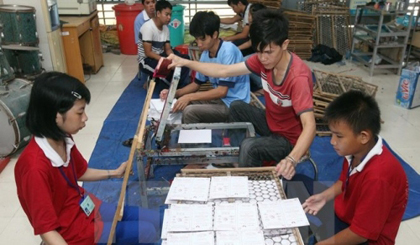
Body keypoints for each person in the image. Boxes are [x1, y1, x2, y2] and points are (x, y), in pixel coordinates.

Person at [167, 9, 316, 179]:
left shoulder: (298, 78)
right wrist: (185, 62)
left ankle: (246, 184)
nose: (263, 58)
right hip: (272, 123)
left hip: (290, 140)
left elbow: (310, 126)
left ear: (284, 44)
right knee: (237, 107)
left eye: (268, 52)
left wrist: (291, 159)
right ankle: (238, 161)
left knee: (249, 146)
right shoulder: (262, 60)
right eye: (258, 51)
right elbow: (224, 71)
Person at [15, 72, 160, 244]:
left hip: (85, 207)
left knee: (155, 219)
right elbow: (47, 230)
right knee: (147, 231)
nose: (85, 118)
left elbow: (80, 171)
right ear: (55, 115)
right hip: (74, 233)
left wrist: (114, 173)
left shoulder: (63, 137)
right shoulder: (34, 168)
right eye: (80, 112)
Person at [302, 90, 408, 244]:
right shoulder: (355, 151)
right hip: (349, 216)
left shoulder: (378, 178)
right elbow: (344, 182)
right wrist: (324, 197)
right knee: (298, 183)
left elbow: (360, 234)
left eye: (339, 136)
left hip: (365, 238)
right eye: (332, 134)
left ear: (363, 136)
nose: (332, 141)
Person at [159, 11, 250, 124]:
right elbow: (196, 84)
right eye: (197, 39)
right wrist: (174, 93)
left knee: (190, 111)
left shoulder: (228, 51)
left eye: (202, 39)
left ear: (215, 35)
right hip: (220, 100)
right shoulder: (206, 54)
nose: (199, 43)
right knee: (181, 103)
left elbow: (222, 91)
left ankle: (193, 141)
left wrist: (190, 97)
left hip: (234, 105)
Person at [138, 0, 189, 88]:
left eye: (170, 14)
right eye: (166, 14)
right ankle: (172, 86)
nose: (169, 17)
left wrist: (174, 58)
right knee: (168, 70)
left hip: (161, 55)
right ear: (158, 13)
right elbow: (148, 53)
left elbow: (168, 49)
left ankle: (180, 86)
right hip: (147, 60)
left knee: (185, 60)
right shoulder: (148, 27)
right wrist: (166, 61)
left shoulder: (166, 28)